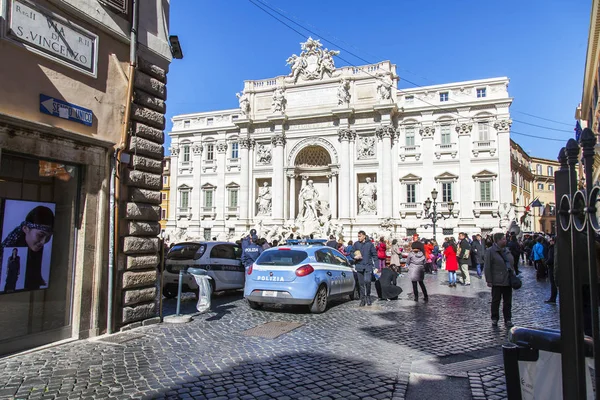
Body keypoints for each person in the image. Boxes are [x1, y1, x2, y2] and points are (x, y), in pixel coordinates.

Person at [1, 205, 54, 290]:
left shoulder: (35, 248)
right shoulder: (8, 248)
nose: (43, 242)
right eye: (40, 235)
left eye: (48, 237)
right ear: (25, 229)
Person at [484, 232, 515, 328]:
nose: (505, 240)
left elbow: (511, 264)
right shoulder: (490, 251)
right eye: (503, 239)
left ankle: (508, 319)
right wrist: (489, 280)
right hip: (497, 280)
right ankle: (495, 318)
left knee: (508, 302)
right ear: (497, 240)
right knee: (496, 300)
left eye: (505, 239)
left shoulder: (507, 250)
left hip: (508, 280)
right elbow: (487, 266)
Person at [353, 230, 377, 306]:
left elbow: (375, 255)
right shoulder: (356, 244)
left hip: (368, 266)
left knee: (368, 281)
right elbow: (351, 252)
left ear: (364, 236)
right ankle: (362, 299)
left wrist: (376, 266)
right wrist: (354, 256)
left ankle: (368, 296)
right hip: (359, 266)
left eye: (360, 236)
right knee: (361, 284)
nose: (358, 238)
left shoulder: (370, 244)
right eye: (358, 236)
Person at [545, 237, 557, 304]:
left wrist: (546, 262)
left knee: (553, 283)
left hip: (552, 267)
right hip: (553, 267)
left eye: (551, 240)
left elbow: (551, 259)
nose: (550, 241)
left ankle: (553, 298)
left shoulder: (552, 248)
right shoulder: (553, 248)